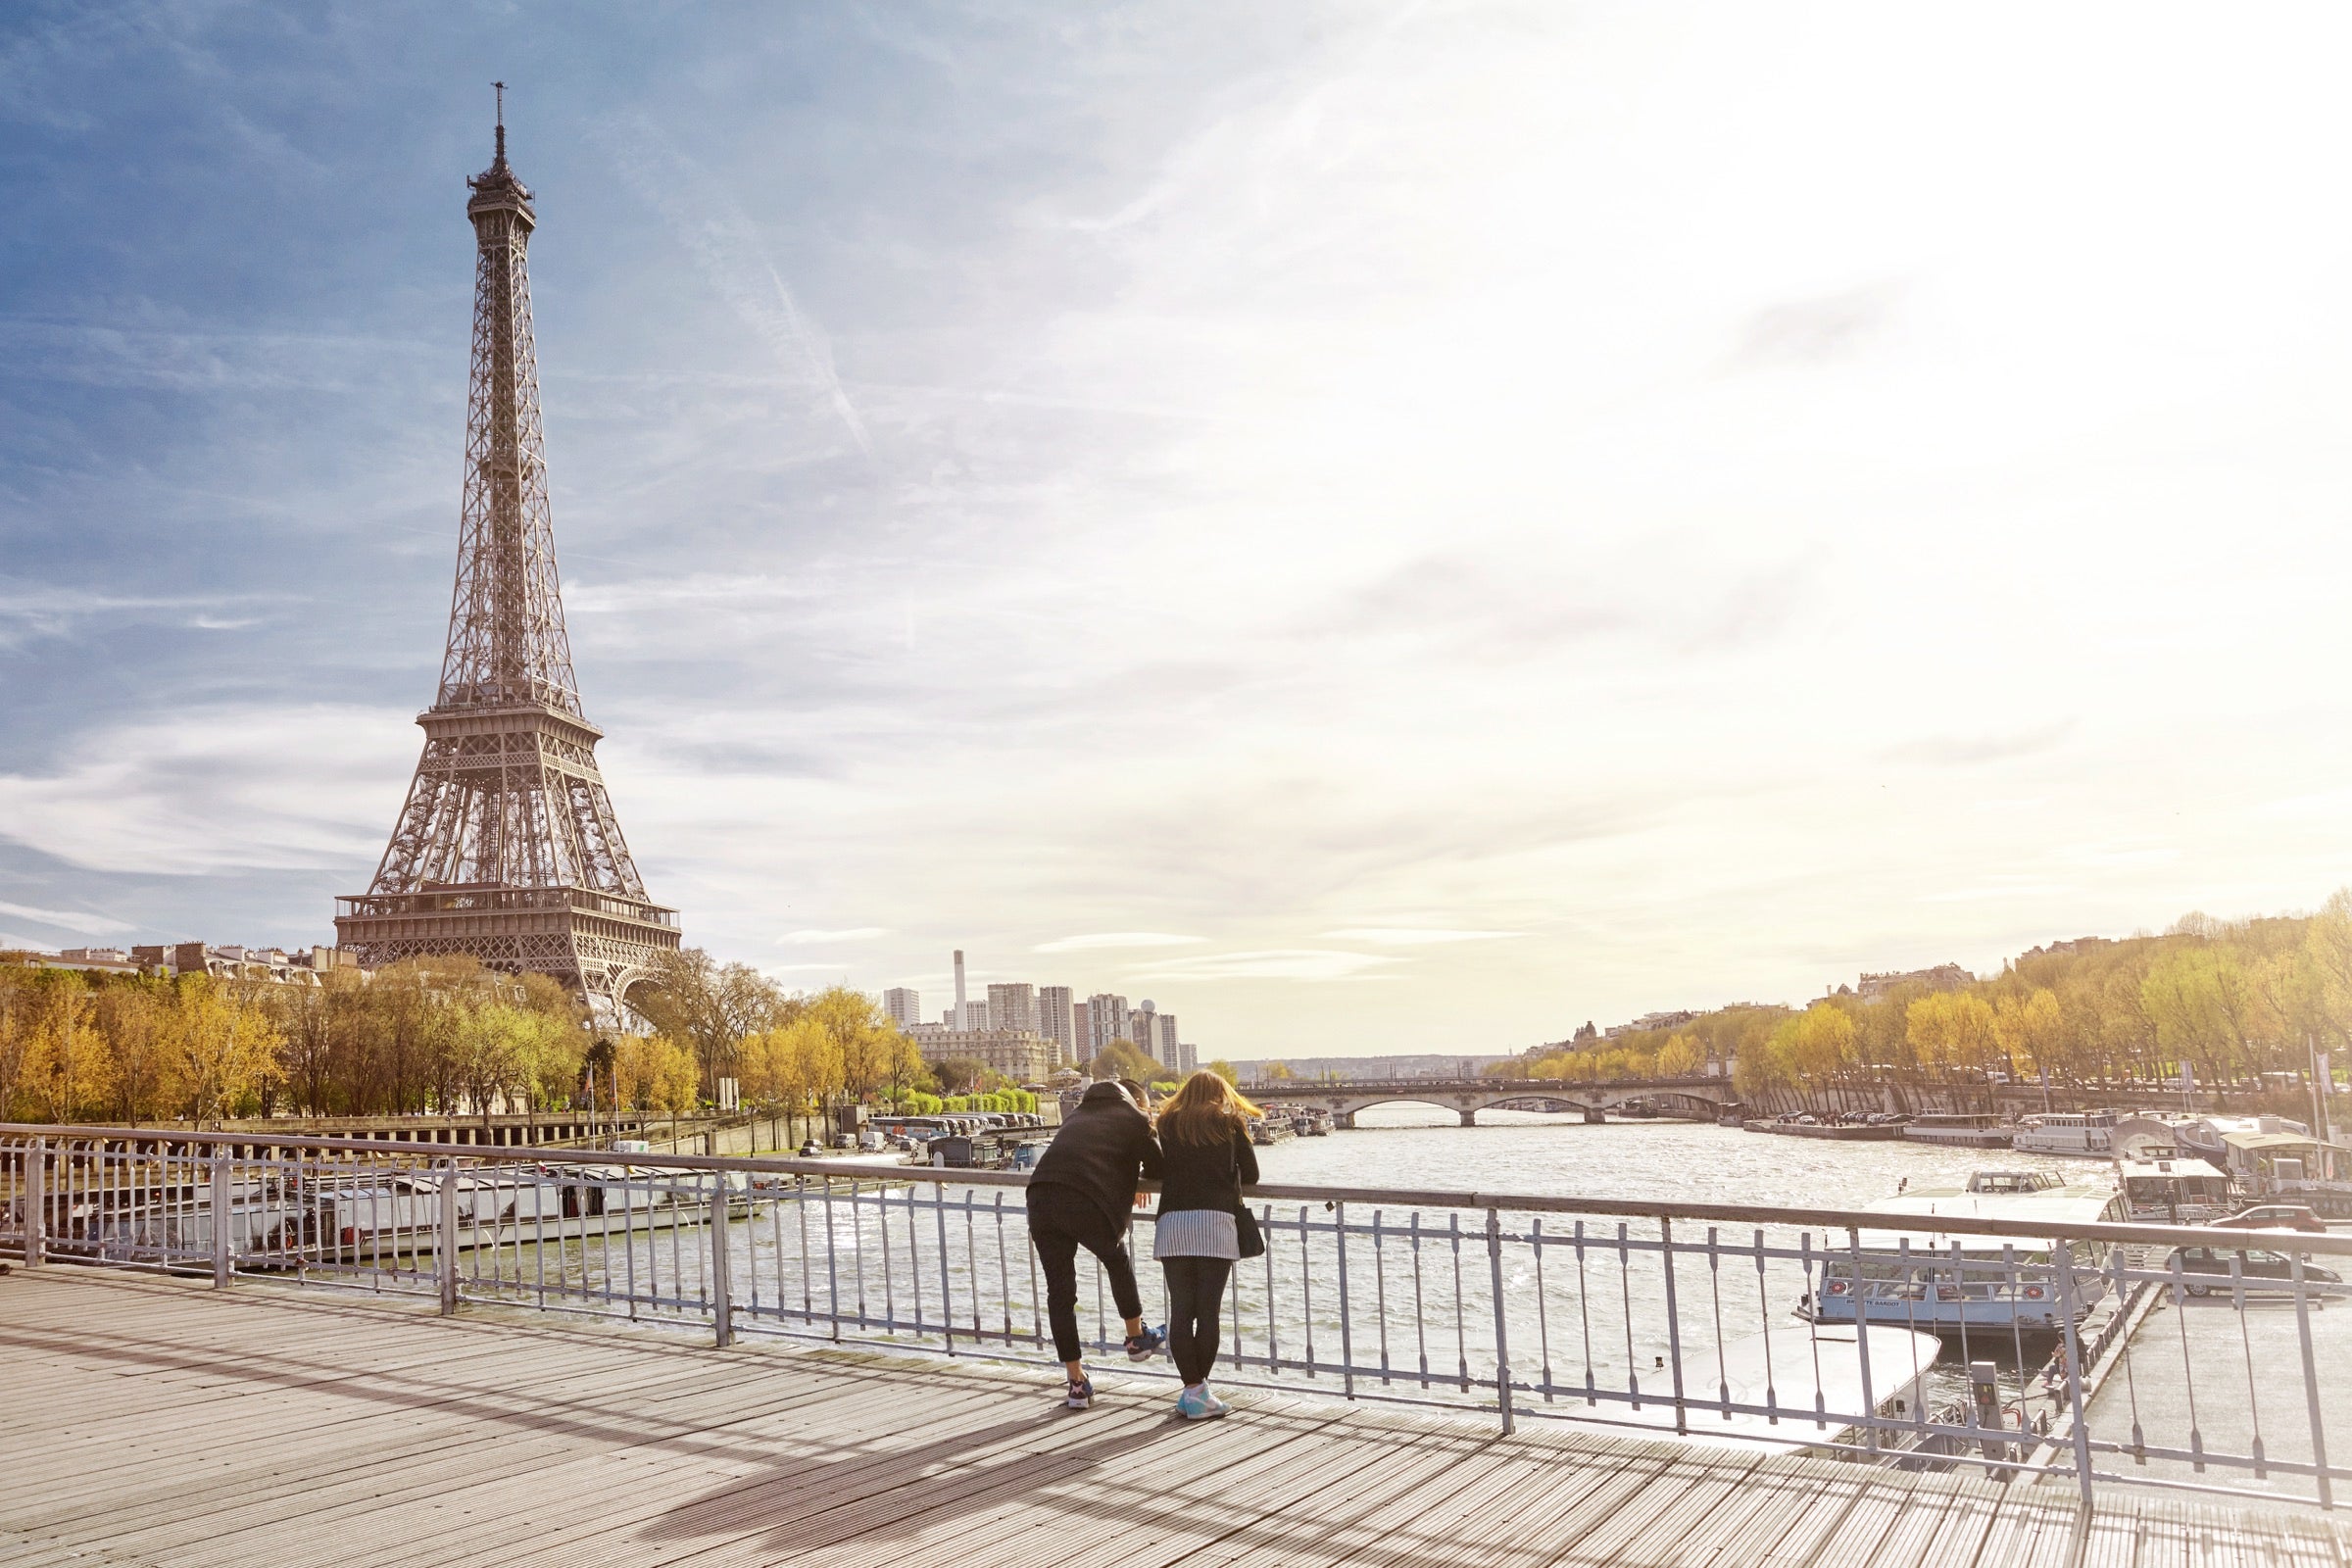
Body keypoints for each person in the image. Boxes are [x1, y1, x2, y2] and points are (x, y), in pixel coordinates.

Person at [1026, 1079, 1165, 1408]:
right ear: (1137, 1102)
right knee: (1116, 1260)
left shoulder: (1076, 1116)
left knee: (1060, 1293)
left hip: (1041, 1197)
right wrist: (1137, 1174)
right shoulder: (1135, 1119)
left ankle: (1076, 1384)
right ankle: (1136, 1338)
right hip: (1084, 1200)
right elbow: (1160, 1167)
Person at [1152, 1070, 1261, 1420]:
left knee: (1182, 1312)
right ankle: (1198, 1394)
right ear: (1221, 1093)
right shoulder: (1230, 1123)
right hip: (1215, 1223)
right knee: (1208, 1312)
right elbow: (1253, 1174)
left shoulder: (1167, 1123)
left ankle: (1193, 1391)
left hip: (1173, 1223)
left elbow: (1157, 1168)